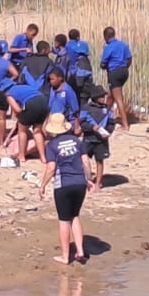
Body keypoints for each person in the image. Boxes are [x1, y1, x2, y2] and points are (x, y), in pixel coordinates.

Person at [39, 112, 90, 265]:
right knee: (75, 215)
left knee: (63, 219)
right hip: (80, 182)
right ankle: (80, 251)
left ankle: (65, 256)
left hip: (63, 184)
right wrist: (89, 179)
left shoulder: (52, 145)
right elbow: (86, 162)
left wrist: (43, 185)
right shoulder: (77, 141)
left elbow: (51, 168)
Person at [99, 26, 133, 130]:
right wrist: (124, 67)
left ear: (106, 36)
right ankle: (103, 118)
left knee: (118, 98)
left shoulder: (108, 47)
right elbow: (129, 58)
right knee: (111, 96)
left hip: (114, 73)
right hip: (124, 72)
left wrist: (104, 66)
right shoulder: (123, 44)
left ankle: (125, 124)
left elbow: (103, 63)